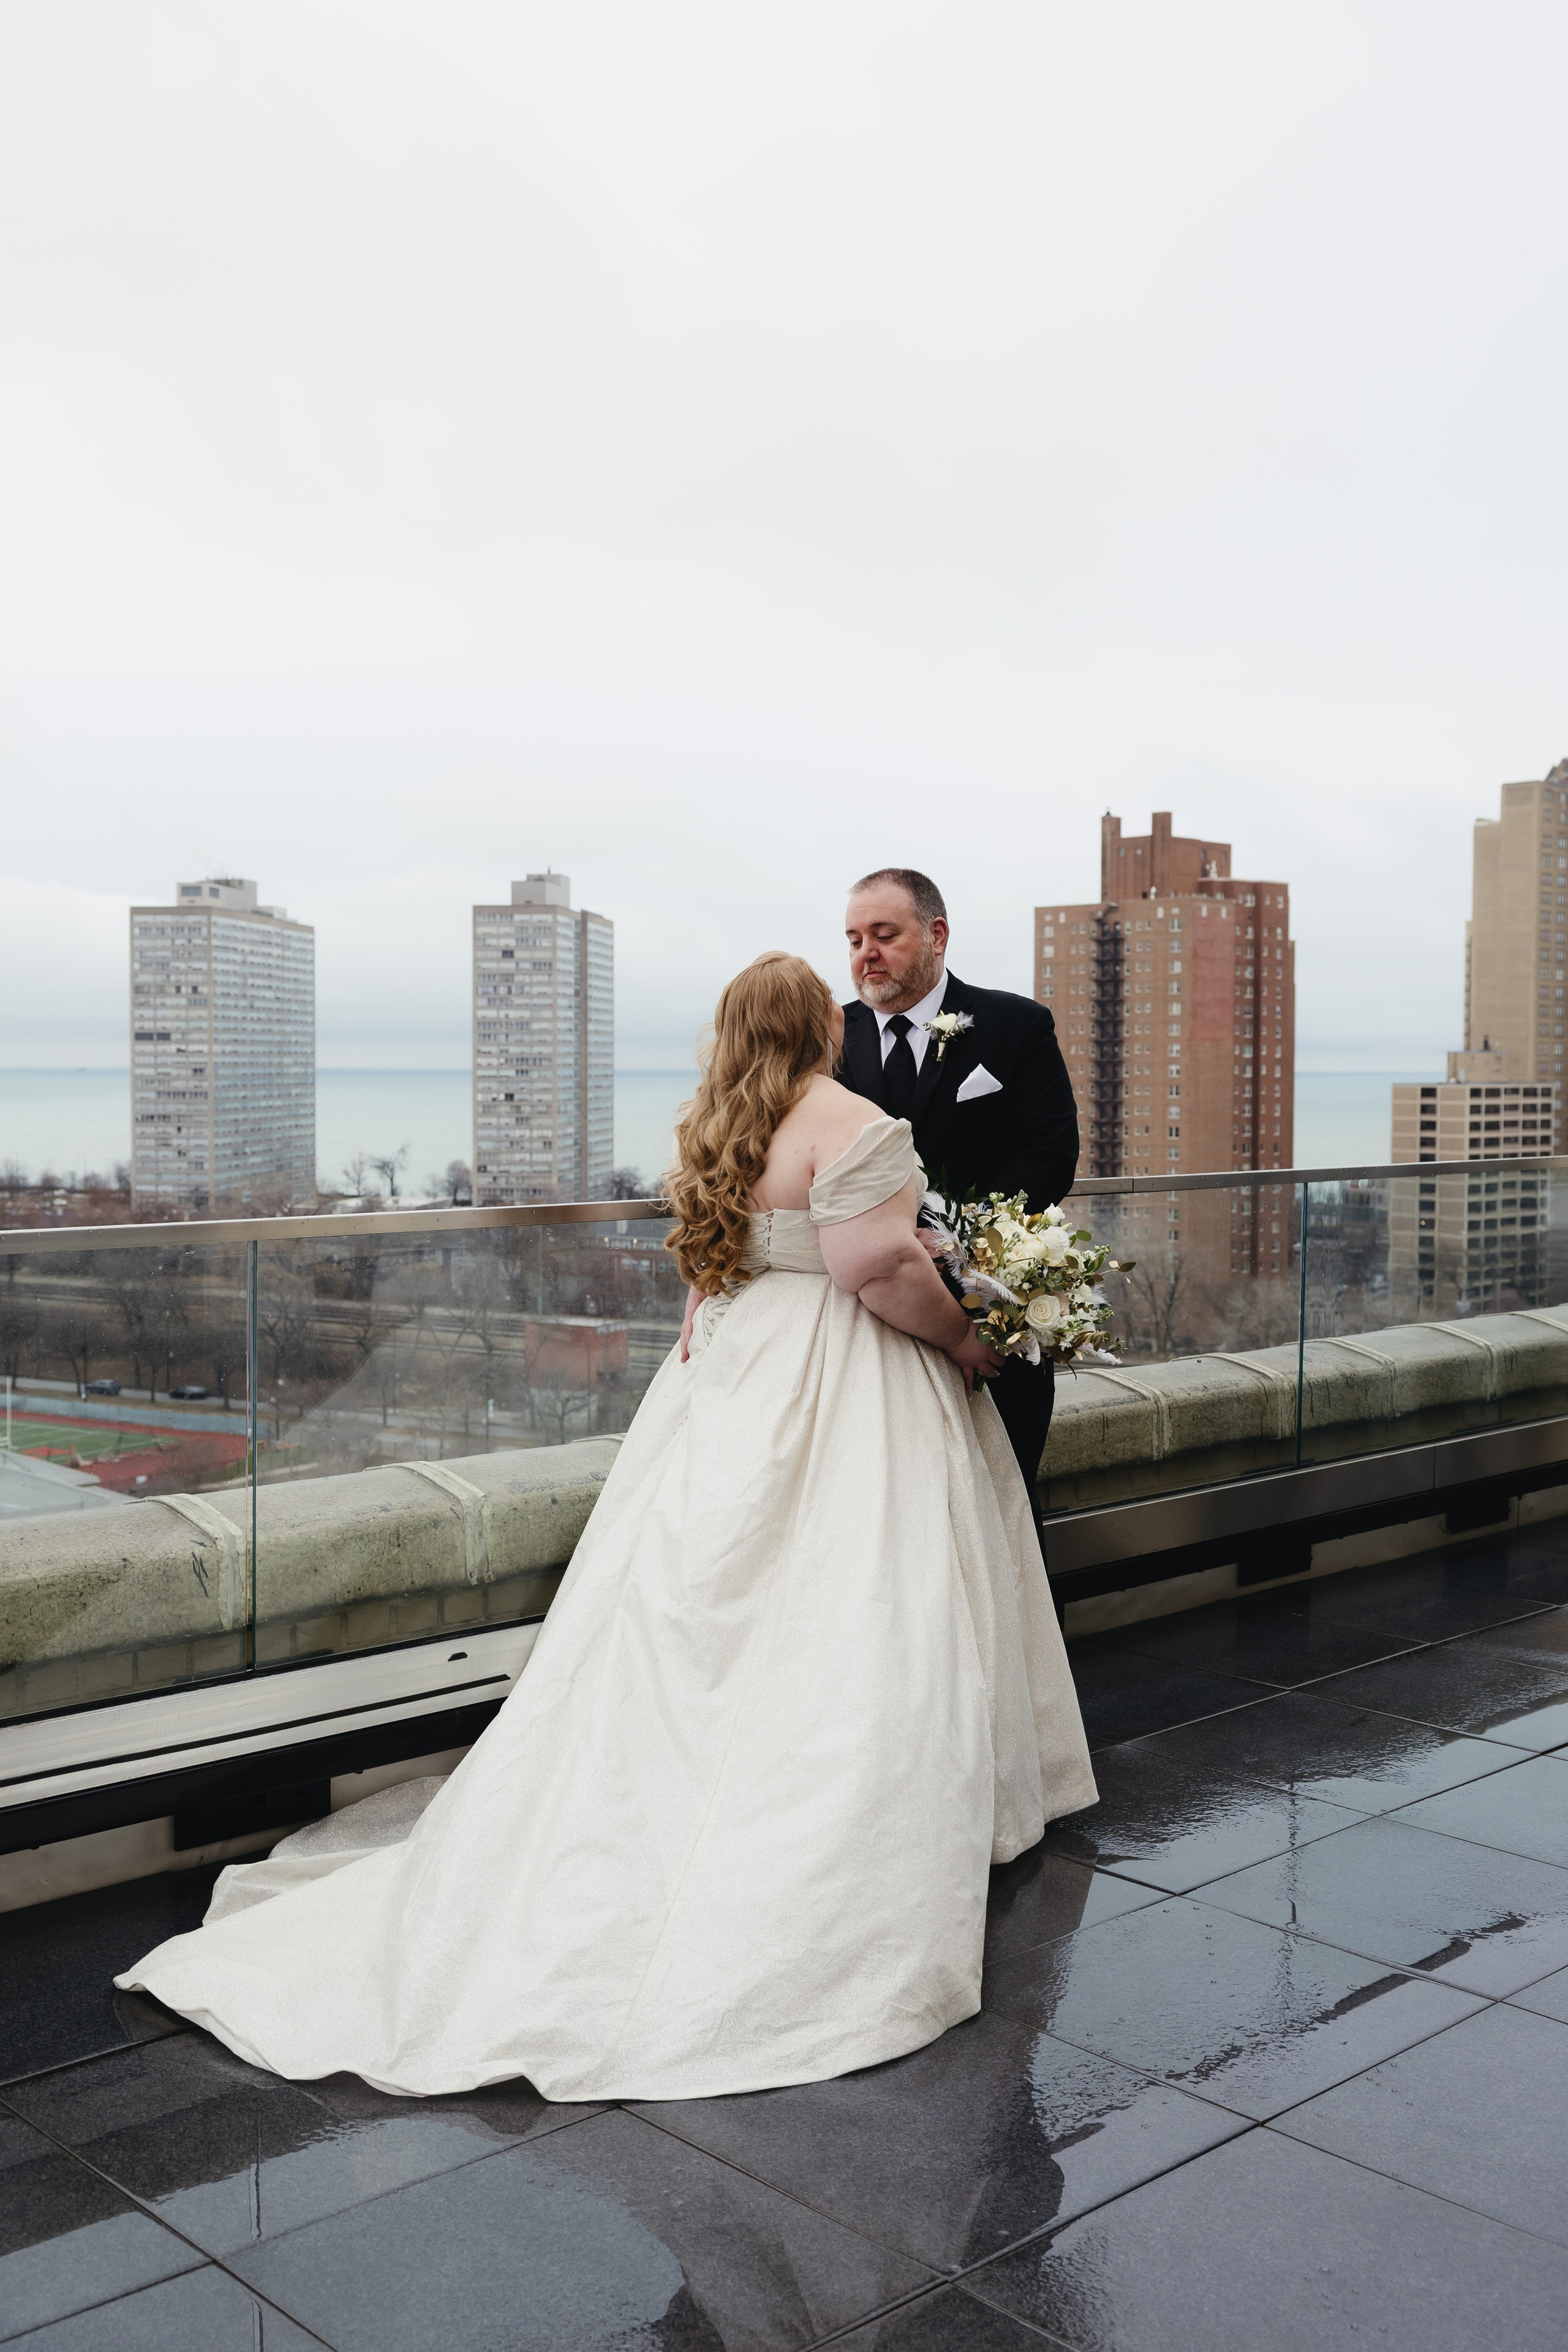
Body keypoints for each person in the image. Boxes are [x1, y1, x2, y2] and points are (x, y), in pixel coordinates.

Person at [116, 954, 1094, 2101]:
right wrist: (970, 1340)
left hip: (733, 1374)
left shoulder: (726, 1120)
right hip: (843, 1377)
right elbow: (872, 1270)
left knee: (699, 1600)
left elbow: (720, 1262)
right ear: (820, 1032)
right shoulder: (855, 1119)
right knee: (860, 1601)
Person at [840, 868, 1079, 1520]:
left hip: (992, 1307)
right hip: (870, 1319)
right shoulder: (828, 1036)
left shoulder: (1015, 1026)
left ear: (936, 934)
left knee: (1001, 1507)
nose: (867, 953)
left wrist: (952, 1235)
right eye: (855, 938)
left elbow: (1050, 1156)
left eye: (884, 934)